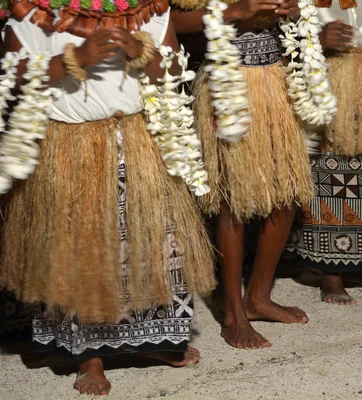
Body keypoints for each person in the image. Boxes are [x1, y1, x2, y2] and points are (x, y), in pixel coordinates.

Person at [0, 0, 216, 394]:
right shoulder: (30, 11)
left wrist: (141, 52)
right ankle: (90, 357)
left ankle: (153, 340)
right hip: (69, 145)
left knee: (154, 243)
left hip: (136, 140)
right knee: (83, 248)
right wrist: (74, 58)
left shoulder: (148, 9)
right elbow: (14, 75)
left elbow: (173, 71)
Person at [171, 0, 312, 350]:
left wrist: (294, 8)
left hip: (275, 82)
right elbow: (171, 21)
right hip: (228, 86)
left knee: (287, 195)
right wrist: (233, 12)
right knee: (233, 202)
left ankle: (259, 297)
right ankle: (234, 314)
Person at [289, 0, 362, 305]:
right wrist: (316, 39)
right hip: (325, 77)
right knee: (330, 173)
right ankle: (330, 274)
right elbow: (281, 33)